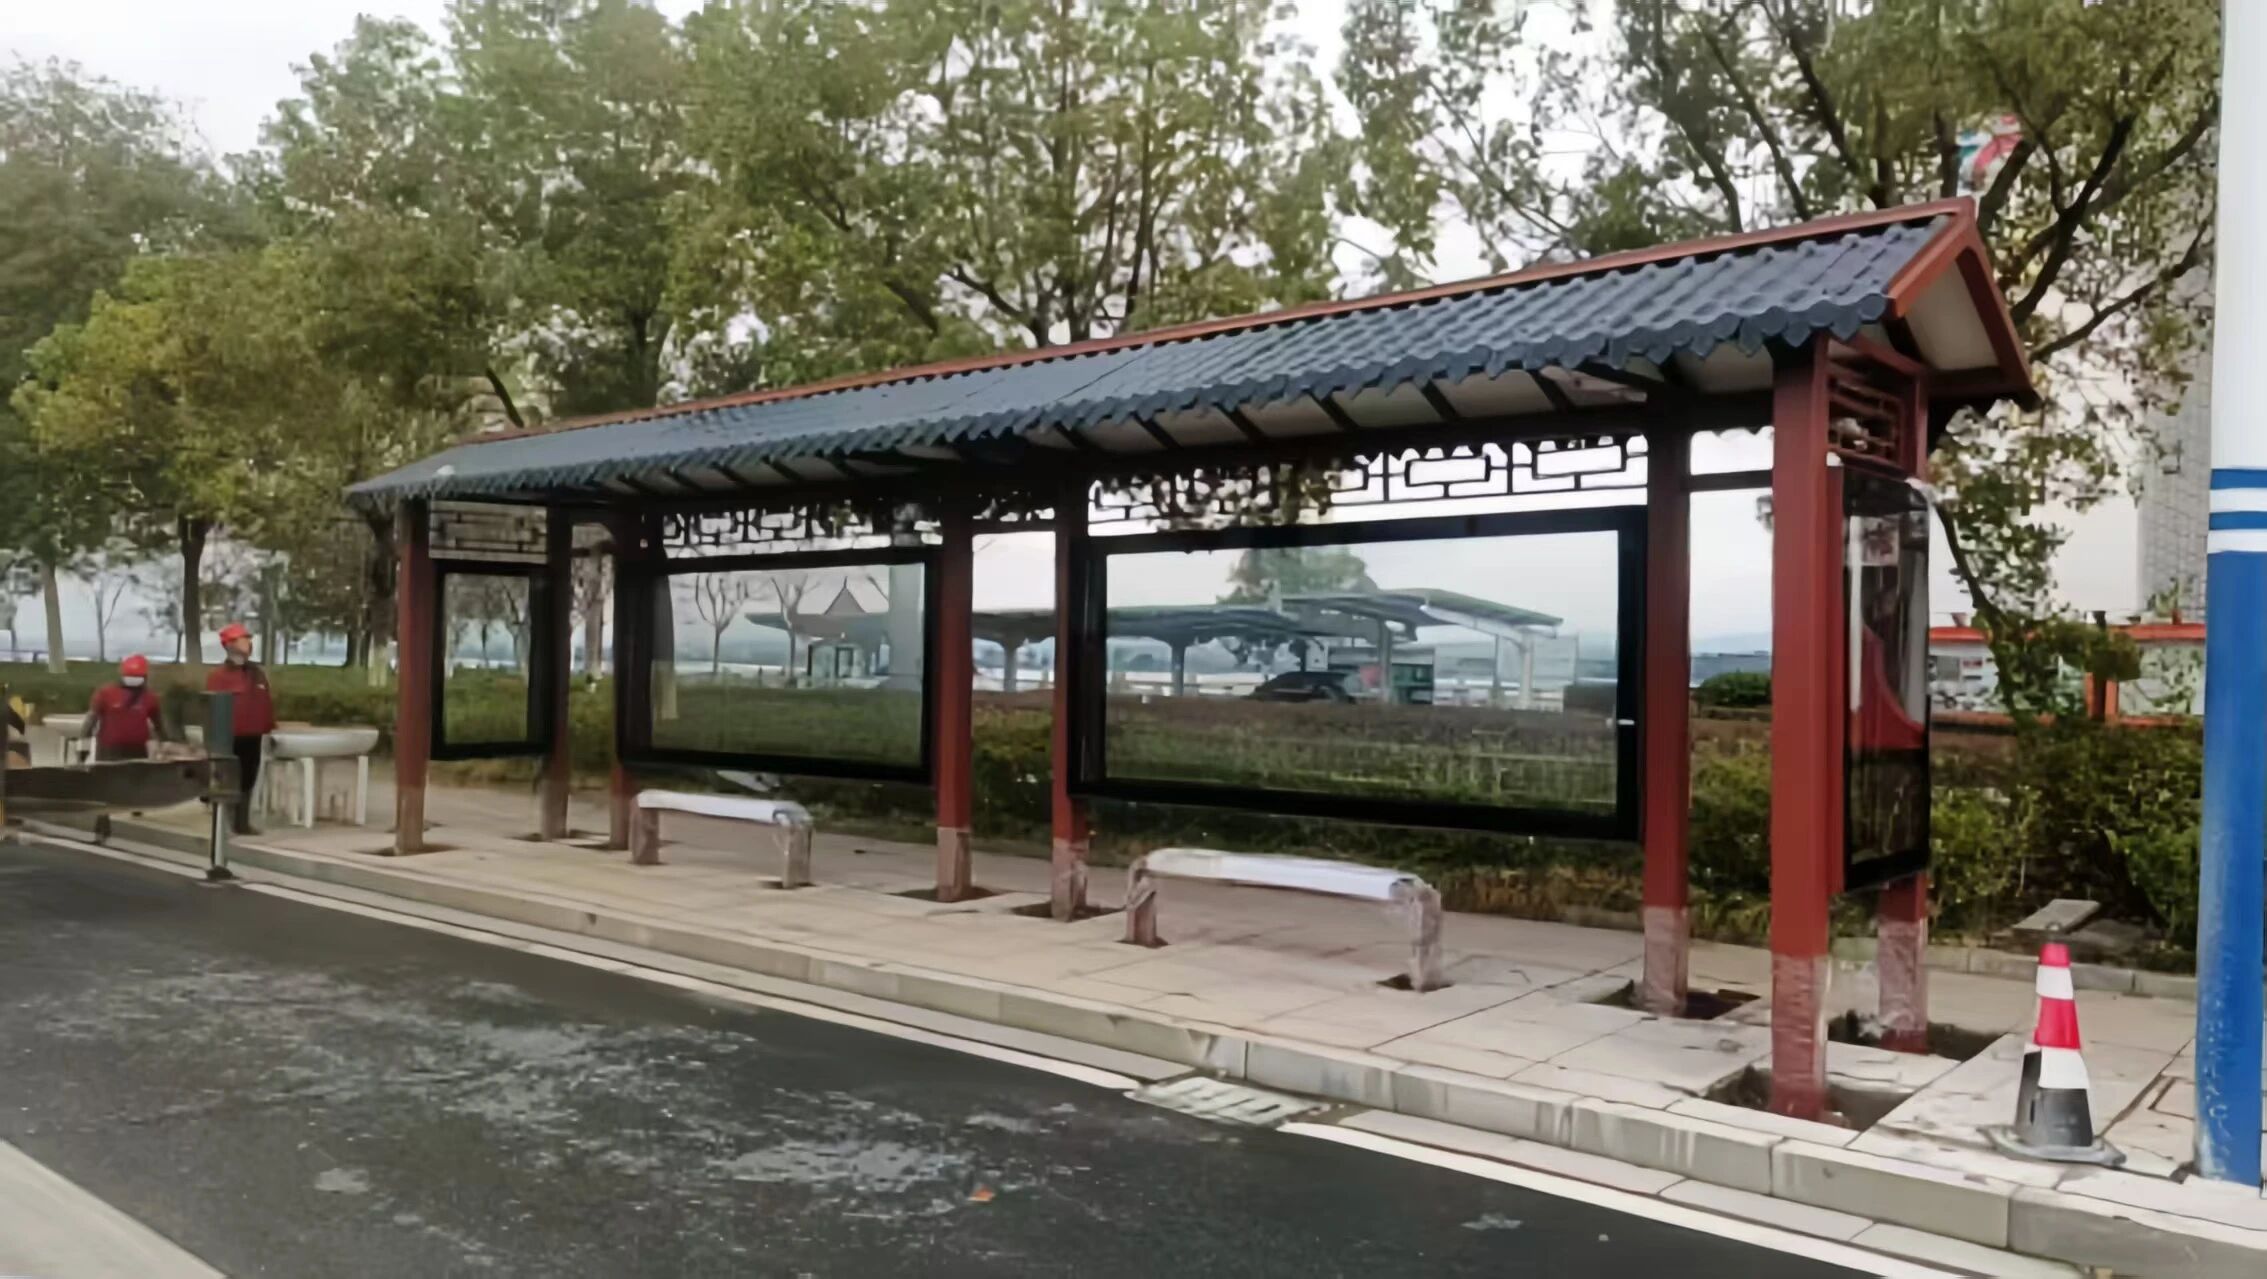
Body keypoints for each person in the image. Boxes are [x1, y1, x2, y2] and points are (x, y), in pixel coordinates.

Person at [205, 623, 276, 835]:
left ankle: (241, 823)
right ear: (229, 645)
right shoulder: (218, 677)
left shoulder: (257, 674)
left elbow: (265, 702)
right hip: (229, 737)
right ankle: (224, 824)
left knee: (248, 780)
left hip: (253, 736)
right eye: (242, 640)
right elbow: (211, 708)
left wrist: (268, 728)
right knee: (228, 780)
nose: (248, 644)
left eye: (248, 640)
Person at [82, 655, 165, 762]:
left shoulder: (150, 697)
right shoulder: (105, 694)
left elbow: (159, 725)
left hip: (134, 749)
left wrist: (83, 748)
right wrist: (83, 747)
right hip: (111, 750)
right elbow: (90, 720)